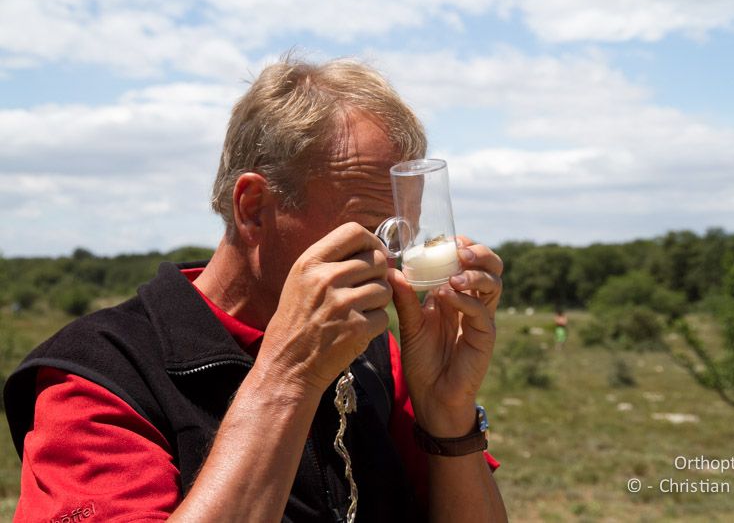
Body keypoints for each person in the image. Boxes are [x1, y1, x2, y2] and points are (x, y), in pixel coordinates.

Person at [4, 55, 507, 522]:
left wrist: (449, 417)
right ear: (252, 207)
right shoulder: (98, 376)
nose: (390, 264)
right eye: (368, 230)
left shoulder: (375, 354)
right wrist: (289, 375)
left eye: (401, 236)